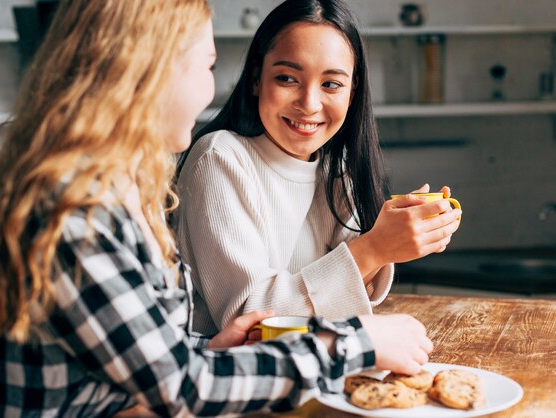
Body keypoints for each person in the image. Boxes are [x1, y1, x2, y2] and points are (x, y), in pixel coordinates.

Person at [0, 1, 433, 417]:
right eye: (207, 65)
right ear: (147, 72)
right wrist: (354, 343)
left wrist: (211, 349)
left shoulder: (113, 193)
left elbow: (153, 361)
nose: (209, 89)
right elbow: (183, 386)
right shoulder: (74, 217)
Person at [176, 0, 462, 335]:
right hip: (231, 376)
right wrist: (375, 247)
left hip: (312, 368)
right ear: (256, 78)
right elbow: (251, 322)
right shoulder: (220, 157)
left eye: (331, 84)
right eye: (287, 78)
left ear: (352, 93)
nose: (309, 103)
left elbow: (354, 291)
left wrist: (397, 235)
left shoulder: (335, 169)